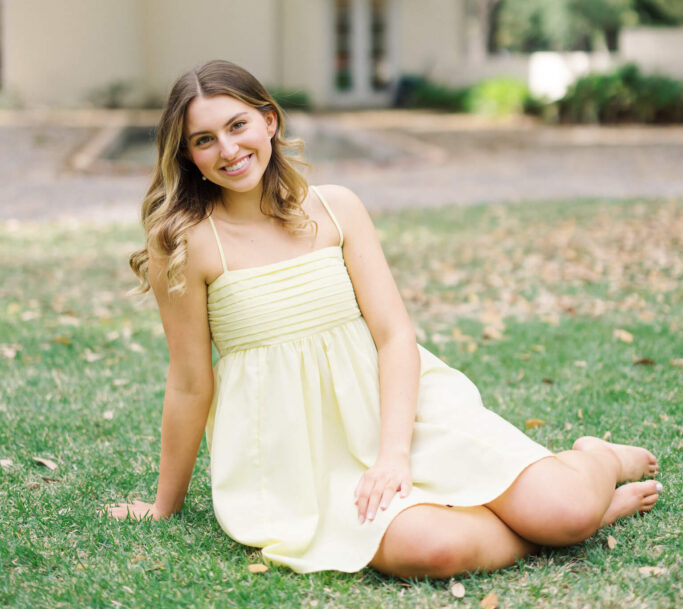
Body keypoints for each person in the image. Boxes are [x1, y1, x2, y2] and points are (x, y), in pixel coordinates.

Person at [108, 59, 663, 578]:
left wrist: (393, 455)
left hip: (398, 415)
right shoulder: (185, 244)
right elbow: (188, 382)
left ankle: (595, 461)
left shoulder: (335, 208)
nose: (227, 149)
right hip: (304, 456)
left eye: (238, 125)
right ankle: (575, 522)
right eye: (205, 140)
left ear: (269, 121)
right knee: (432, 548)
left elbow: (395, 336)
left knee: (564, 509)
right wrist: (165, 505)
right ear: (187, 155)